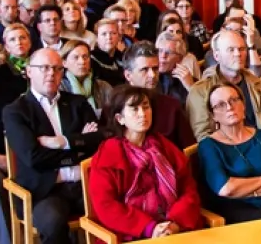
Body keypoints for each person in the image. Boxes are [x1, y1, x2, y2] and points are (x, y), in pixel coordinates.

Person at [3, 49, 103, 244]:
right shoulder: (16, 111)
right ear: (30, 71)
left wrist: (63, 142)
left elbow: (100, 140)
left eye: (57, 69)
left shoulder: (77, 103)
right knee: (52, 223)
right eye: (45, 68)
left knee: (121, 207)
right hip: (45, 190)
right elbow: (34, 157)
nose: (51, 73)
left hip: (86, 184)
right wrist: (79, 147)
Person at [87, 85, 206, 241]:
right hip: (130, 232)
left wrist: (175, 223)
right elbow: (106, 206)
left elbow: (188, 189)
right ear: (120, 119)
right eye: (134, 109)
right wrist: (149, 228)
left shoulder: (165, 147)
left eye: (146, 107)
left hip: (173, 227)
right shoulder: (108, 154)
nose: (143, 114)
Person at [195, 83, 261, 223]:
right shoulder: (208, 146)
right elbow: (226, 189)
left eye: (233, 100)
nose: (229, 107)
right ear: (213, 116)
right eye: (221, 105)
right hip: (237, 218)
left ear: (243, 105)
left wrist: (246, 190)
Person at [187, 29, 261, 140]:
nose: (238, 54)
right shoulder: (200, 92)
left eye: (241, 49)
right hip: (227, 152)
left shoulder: (258, 84)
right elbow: (204, 137)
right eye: (231, 50)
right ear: (217, 56)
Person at [121, 43, 197, 150]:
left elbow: (189, 149)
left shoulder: (171, 106)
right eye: (144, 70)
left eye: (155, 69)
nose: (152, 75)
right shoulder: (116, 106)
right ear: (128, 75)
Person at [59, 40, 111, 113]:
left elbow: (113, 113)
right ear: (64, 63)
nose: (82, 62)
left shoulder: (103, 86)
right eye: (75, 57)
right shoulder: (59, 88)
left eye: (85, 57)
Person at [91, 18, 126, 86]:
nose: (109, 37)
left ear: (119, 37)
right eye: (104, 34)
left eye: (113, 33)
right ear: (97, 38)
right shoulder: (91, 58)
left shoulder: (124, 58)